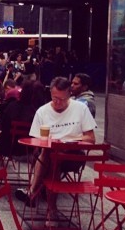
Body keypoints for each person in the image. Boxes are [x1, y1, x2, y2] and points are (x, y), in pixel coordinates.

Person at [15, 77, 97, 219]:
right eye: (54, 98)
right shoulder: (43, 111)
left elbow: (91, 138)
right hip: (47, 155)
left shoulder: (81, 108)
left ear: (69, 95)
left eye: (62, 99)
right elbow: (35, 141)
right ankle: (51, 209)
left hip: (73, 156)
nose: (58, 102)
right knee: (51, 155)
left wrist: (68, 141)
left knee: (51, 156)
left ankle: (33, 191)